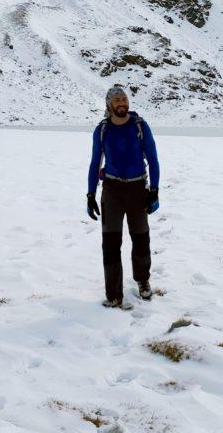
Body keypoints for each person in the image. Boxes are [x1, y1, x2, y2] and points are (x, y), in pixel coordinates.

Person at [86, 84, 160, 308]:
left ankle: (143, 280)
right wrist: (90, 194)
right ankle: (114, 294)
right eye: (116, 99)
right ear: (109, 104)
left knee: (141, 240)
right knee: (110, 244)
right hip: (112, 190)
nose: (121, 102)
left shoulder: (140, 126)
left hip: (137, 189)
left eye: (124, 98)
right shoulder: (102, 130)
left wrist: (154, 191)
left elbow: (154, 159)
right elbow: (94, 162)